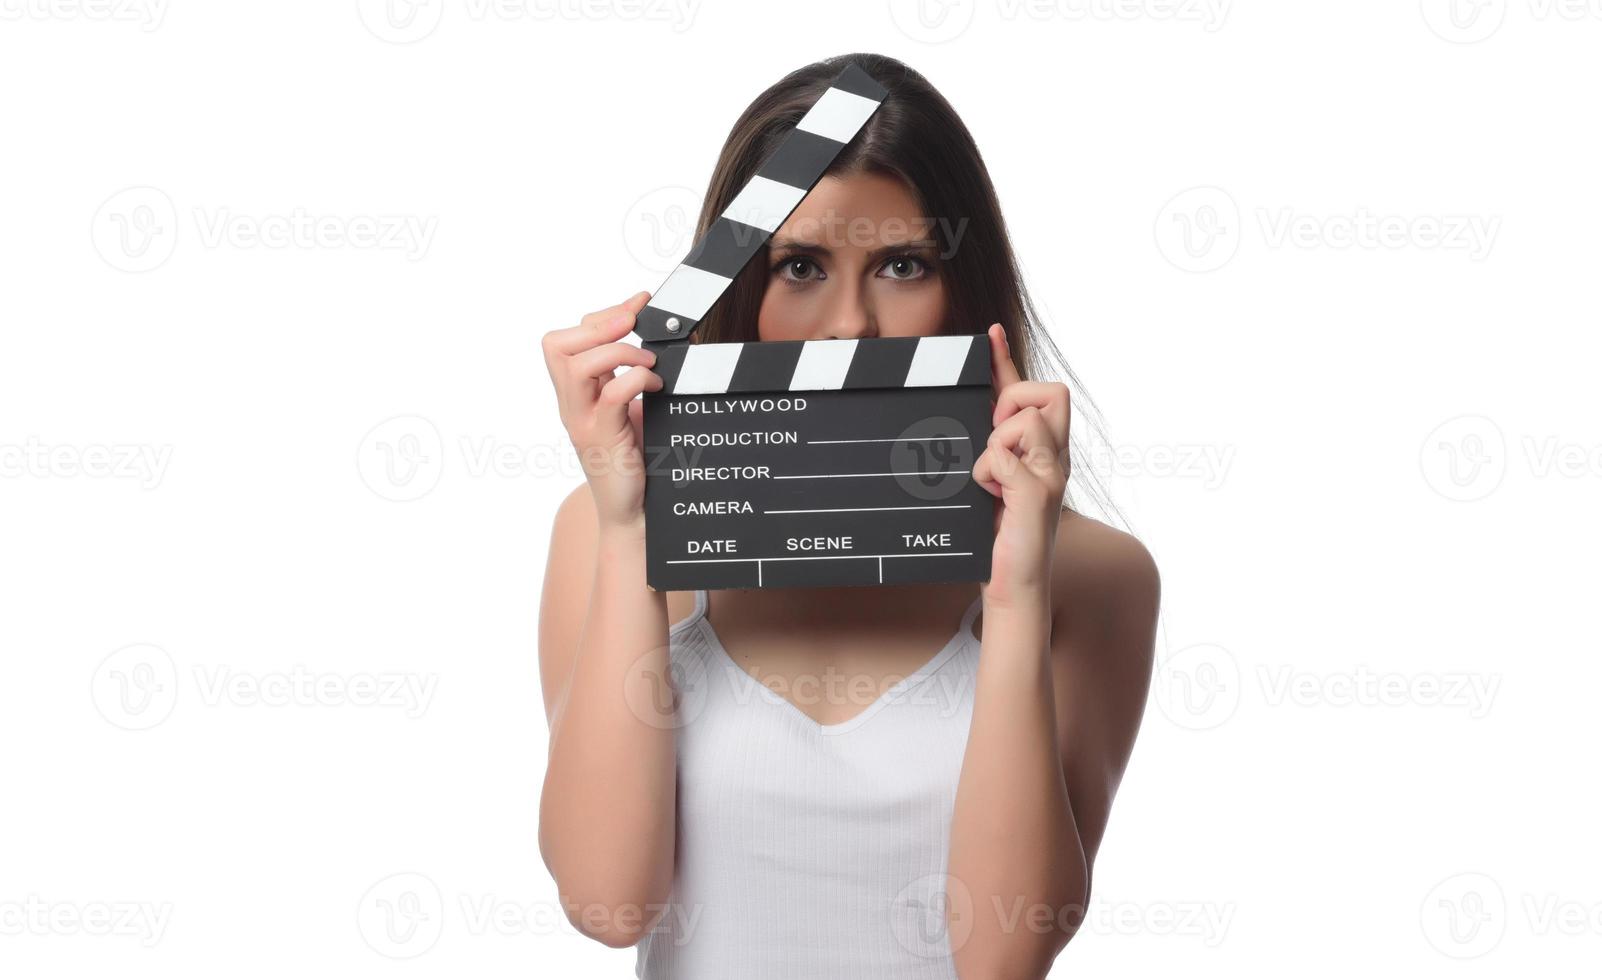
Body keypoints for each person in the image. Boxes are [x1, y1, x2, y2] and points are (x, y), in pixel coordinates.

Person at [538, 52, 1160, 979]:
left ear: (966, 286)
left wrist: (1017, 590)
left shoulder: (1094, 576)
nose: (849, 325)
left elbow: (1004, 954)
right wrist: (634, 527)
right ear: (737, 288)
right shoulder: (601, 535)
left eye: (904, 264)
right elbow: (608, 901)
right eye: (799, 266)